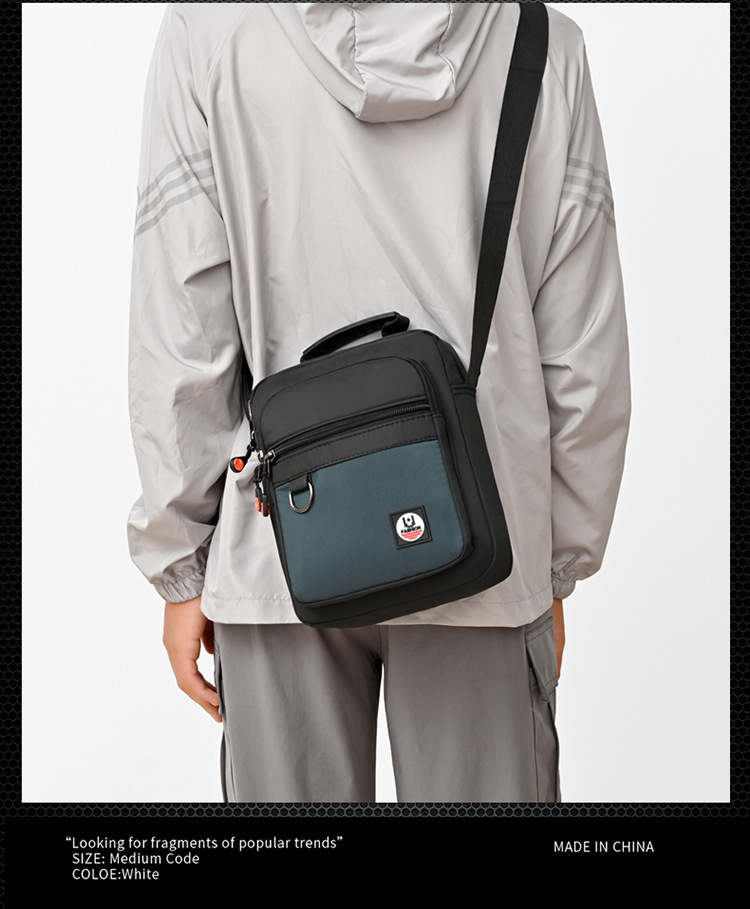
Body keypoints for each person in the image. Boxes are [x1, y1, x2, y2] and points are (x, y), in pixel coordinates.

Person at [128, 2, 630, 803]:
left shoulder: (208, 30)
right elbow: (583, 352)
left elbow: (184, 325)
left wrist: (182, 564)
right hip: (486, 542)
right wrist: (552, 563)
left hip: (280, 543)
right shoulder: (539, 41)